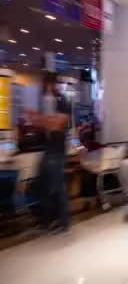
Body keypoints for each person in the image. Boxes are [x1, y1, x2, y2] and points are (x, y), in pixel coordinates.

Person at [34, 72, 71, 233]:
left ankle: (62, 221)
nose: (44, 88)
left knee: (56, 186)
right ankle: (48, 219)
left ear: (51, 84)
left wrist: (42, 120)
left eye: (46, 84)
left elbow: (56, 124)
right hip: (48, 148)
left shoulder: (62, 101)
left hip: (56, 149)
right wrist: (44, 121)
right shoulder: (45, 102)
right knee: (43, 184)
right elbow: (38, 122)